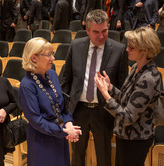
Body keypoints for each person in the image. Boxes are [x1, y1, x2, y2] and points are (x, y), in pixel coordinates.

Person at [61, 9, 128, 166]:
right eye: (96, 32)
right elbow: (66, 79)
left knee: (104, 157)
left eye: (104, 31)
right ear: (87, 30)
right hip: (78, 109)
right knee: (77, 156)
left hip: (104, 111)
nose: (101, 36)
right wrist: (64, 110)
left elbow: (122, 86)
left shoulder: (119, 50)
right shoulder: (76, 45)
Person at [94, 27, 161, 166]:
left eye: (131, 47)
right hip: (126, 135)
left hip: (136, 139)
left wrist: (106, 96)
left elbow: (128, 117)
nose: (127, 50)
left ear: (144, 50)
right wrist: (110, 88)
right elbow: (126, 98)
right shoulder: (137, 68)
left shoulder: (148, 78)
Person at [19, 37, 82, 166]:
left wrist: (68, 122)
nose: (52, 58)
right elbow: (36, 120)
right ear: (34, 58)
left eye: (52, 54)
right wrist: (63, 131)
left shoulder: (52, 74)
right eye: (48, 55)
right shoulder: (27, 85)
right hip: (42, 138)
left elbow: (62, 104)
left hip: (59, 134)